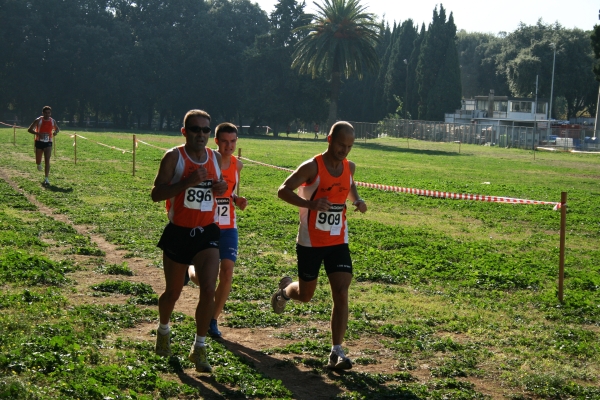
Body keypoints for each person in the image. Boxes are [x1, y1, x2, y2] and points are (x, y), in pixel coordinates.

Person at [272, 121, 367, 370]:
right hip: (310, 242)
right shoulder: (312, 167)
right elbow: (283, 190)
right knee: (306, 295)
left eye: (349, 146)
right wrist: (311, 205)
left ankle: (336, 350)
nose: (344, 150)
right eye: (340, 145)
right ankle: (284, 292)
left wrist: (357, 200)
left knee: (342, 291)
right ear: (329, 140)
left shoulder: (350, 167)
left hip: (338, 239)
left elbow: (350, 184)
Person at [151, 109, 228, 373]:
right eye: (195, 129)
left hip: (206, 232)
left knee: (209, 288)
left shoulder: (215, 157)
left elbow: (218, 187)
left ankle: (200, 346)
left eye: (206, 130)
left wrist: (219, 189)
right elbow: (156, 194)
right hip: (179, 232)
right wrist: (186, 182)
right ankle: (163, 330)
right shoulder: (174, 157)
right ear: (185, 132)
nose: (201, 134)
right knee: (173, 292)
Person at [187, 122, 247, 338]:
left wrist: (236, 199)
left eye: (232, 141)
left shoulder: (237, 166)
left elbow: (229, 192)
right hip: (207, 223)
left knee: (228, 271)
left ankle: (213, 319)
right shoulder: (207, 160)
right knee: (206, 278)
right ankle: (189, 270)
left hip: (229, 225)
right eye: (224, 141)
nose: (228, 146)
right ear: (217, 142)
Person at [28, 106, 60, 186]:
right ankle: (38, 164)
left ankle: (46, 178)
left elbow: (57, 129)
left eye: (49, 113)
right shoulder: (38, 120)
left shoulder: (52, 121)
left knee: (47, 160)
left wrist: (55, 132)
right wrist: (38, 134)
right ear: (43, 113)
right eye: (45, 113)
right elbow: (29, 129)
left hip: (48, 142)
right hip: (39, 141)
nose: (47, 114)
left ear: (50, 113)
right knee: (38, 161)